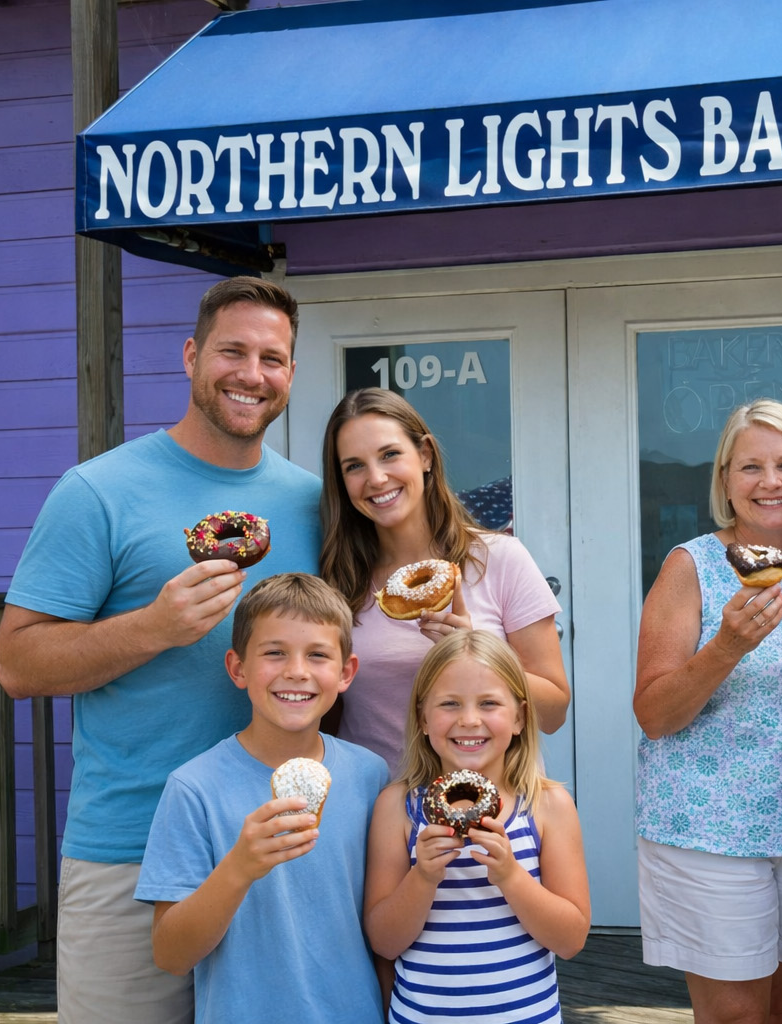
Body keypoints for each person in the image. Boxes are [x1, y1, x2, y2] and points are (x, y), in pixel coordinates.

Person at [0, 276, 321, 1023]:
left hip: (282, 841)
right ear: (189, 356)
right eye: (232, 351)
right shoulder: (97, 491)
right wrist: (155, 627)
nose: (251, 374)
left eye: (272, 358)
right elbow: (16, 665)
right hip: (131, 849)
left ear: (292, 375)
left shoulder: (314, 501)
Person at [633, 399, 782, 1024]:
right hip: (711, 832)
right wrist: (727, 646)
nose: (769, 482)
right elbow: (653, 712)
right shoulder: (692, 566)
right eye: (749, 466)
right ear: (726, 481)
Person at [136, 573, 387, 1022]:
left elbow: (382, 925)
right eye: (274, 653)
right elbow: (171, 955)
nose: (296, 671)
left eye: (317, 655)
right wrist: (239, 868)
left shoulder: (371, 775)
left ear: (346, 672)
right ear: (238, 668)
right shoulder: (194, 788)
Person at [319, 387, 567, 775]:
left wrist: (476, 653)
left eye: (390, 454)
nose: (377, 478)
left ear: (425, 455)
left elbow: (554, 712)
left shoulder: (497, 558)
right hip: (382, 812)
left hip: (487, 811)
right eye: (354, 466)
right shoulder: (339, 580)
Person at [364, 629, 590, 1024]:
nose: (469, 720)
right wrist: (423, 878)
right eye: (449, 704)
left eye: (489, 703)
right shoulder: (398, 809)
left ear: (519, 717)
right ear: (422, 718)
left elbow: (570, 940)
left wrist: (510, 876)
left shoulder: (548, 806)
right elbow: (384, 942)